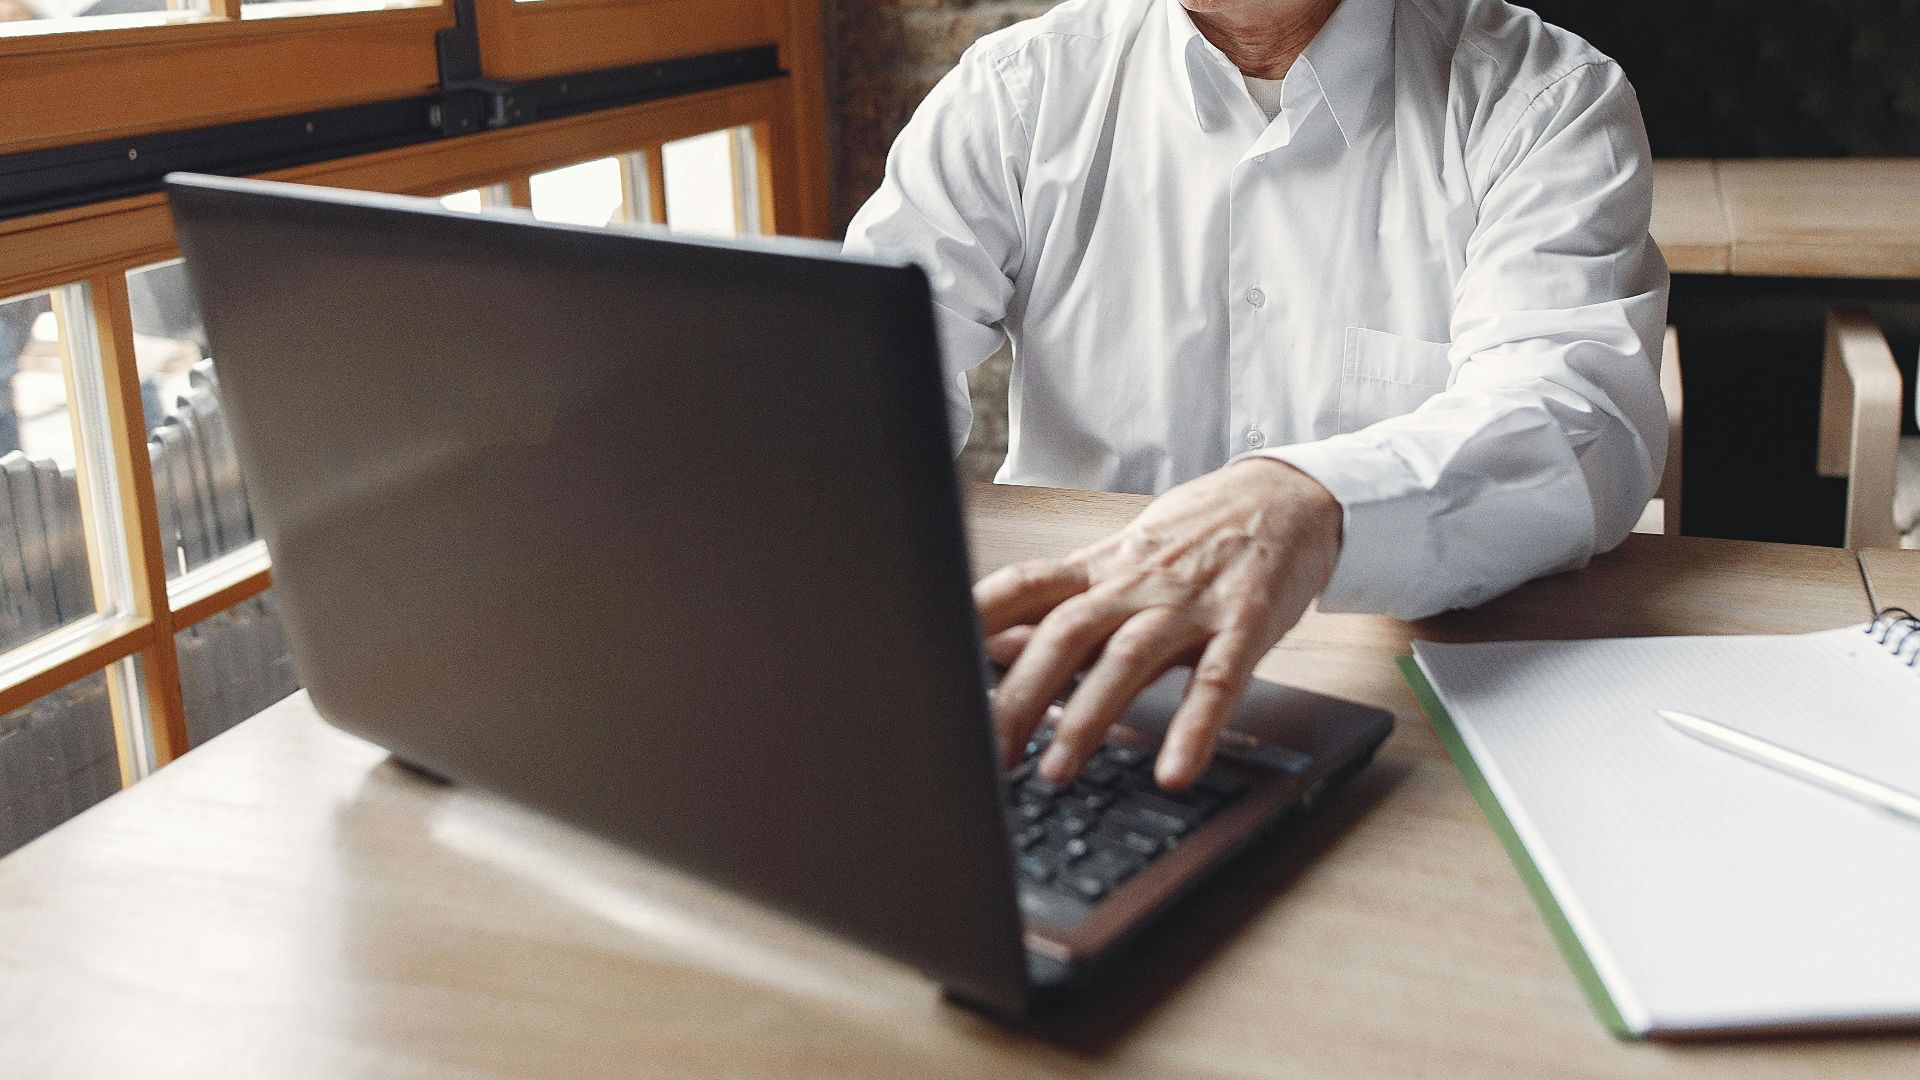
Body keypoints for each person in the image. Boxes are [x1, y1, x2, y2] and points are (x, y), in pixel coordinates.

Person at [844, 0, 1669, 791]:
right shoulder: (1018, 90)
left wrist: (1315, 502)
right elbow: (857, 387)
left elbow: (1576, 417)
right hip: (1055, 681)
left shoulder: (1545, 99)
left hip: (1404, 722)